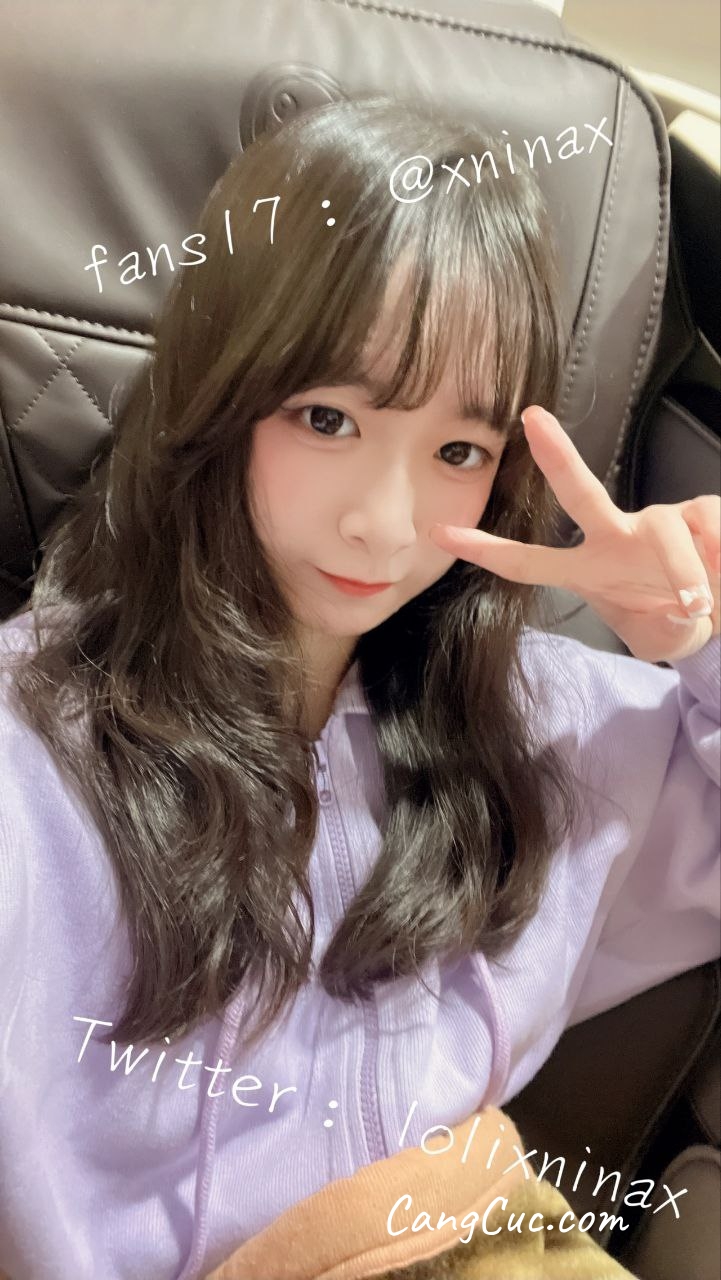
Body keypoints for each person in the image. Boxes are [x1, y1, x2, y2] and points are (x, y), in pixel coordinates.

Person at [0, 95, 718, 1280]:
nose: (385, 523)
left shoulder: (534, 719)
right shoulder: (42, 751)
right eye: (326, 417)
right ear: (218, 389)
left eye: (457, 451)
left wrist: (702, 640)